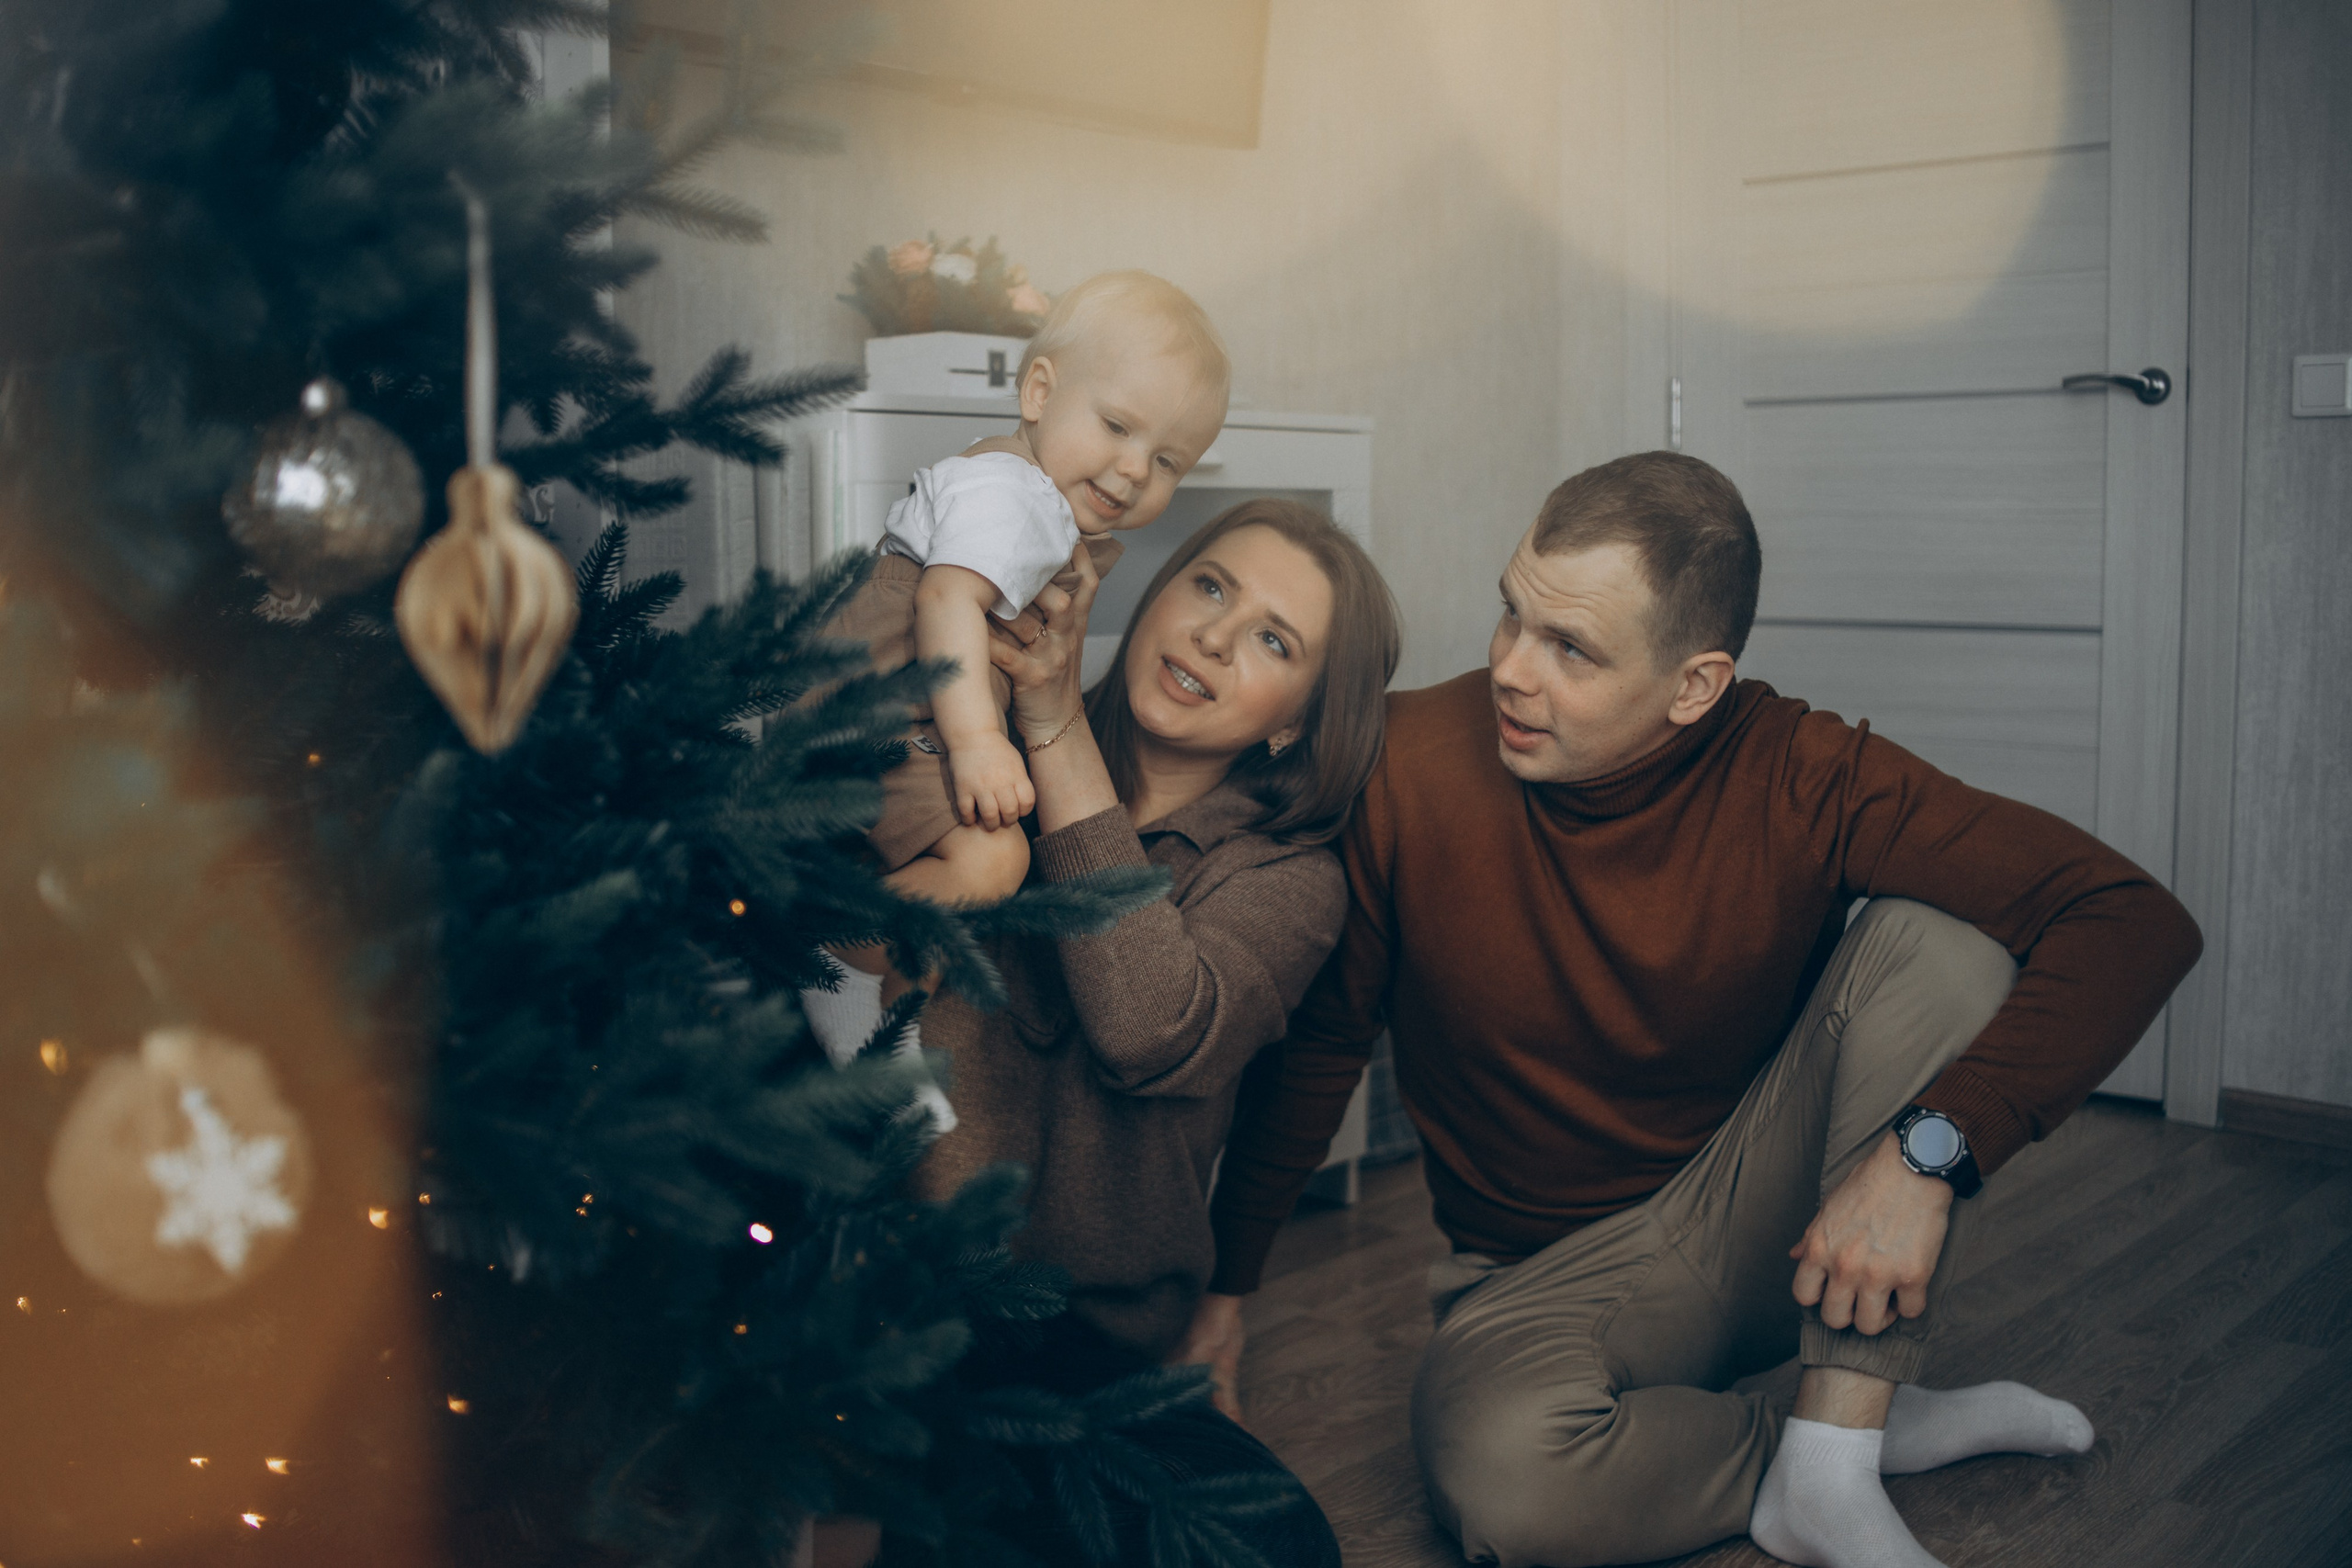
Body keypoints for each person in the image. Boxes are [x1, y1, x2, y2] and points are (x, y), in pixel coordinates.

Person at [1191, 452, 2203, 1568]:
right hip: (1533, 1285)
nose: (1512, 673)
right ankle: (1849, 1435)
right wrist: (1227, 1286)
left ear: (1694, 686)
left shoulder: (1803, 770)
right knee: (1508, 1486)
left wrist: (1928, 1155)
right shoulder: (1407, 763)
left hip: (1770, 1227)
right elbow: (1324, 1046)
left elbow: (2131, 920)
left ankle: (1833, 1456)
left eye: (1570, 648)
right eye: (1511, 616)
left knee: (1941, 944)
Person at [915, 497, 1403, 1565]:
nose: (1216, 636)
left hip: (1087, 1345)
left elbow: (1149, 1029)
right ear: (1159, 593)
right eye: (1211, 587)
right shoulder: (966, 741)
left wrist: (1054, 727)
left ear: (1293, 721)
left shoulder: (1283, 880)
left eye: (1273, 640)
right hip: (896, 1293)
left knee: (1280, 1552)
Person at [799, 272, 1232, 1106]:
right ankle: (840, 955)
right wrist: (977, 742)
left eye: (1170, 459)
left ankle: (880, 1022)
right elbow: (944, 598)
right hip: (891, 698)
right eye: (1116, 425)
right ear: (1039, 391)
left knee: (969, 860)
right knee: (993, 856)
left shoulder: (1030, 491)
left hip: (897, 702)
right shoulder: (1015, 493)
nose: (1135, 468)